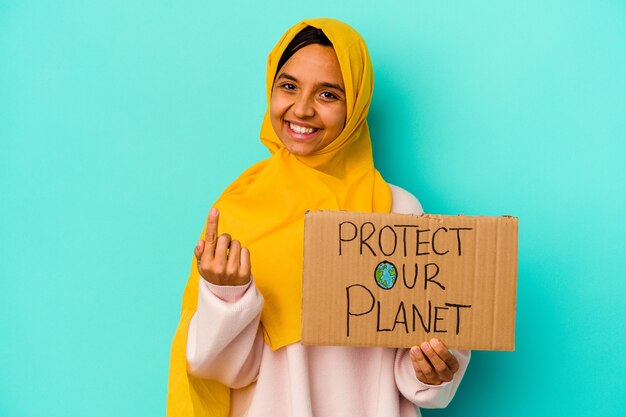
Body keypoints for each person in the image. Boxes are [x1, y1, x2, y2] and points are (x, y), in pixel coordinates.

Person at [167, 18, 470, 417]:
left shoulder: (399, 211)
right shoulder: (240, 208)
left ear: (357, 104)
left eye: (328, 94)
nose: (302, 109)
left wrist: (431, 371)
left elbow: (414, 366)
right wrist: (227, 298)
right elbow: (226, 372)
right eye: (288, 86)